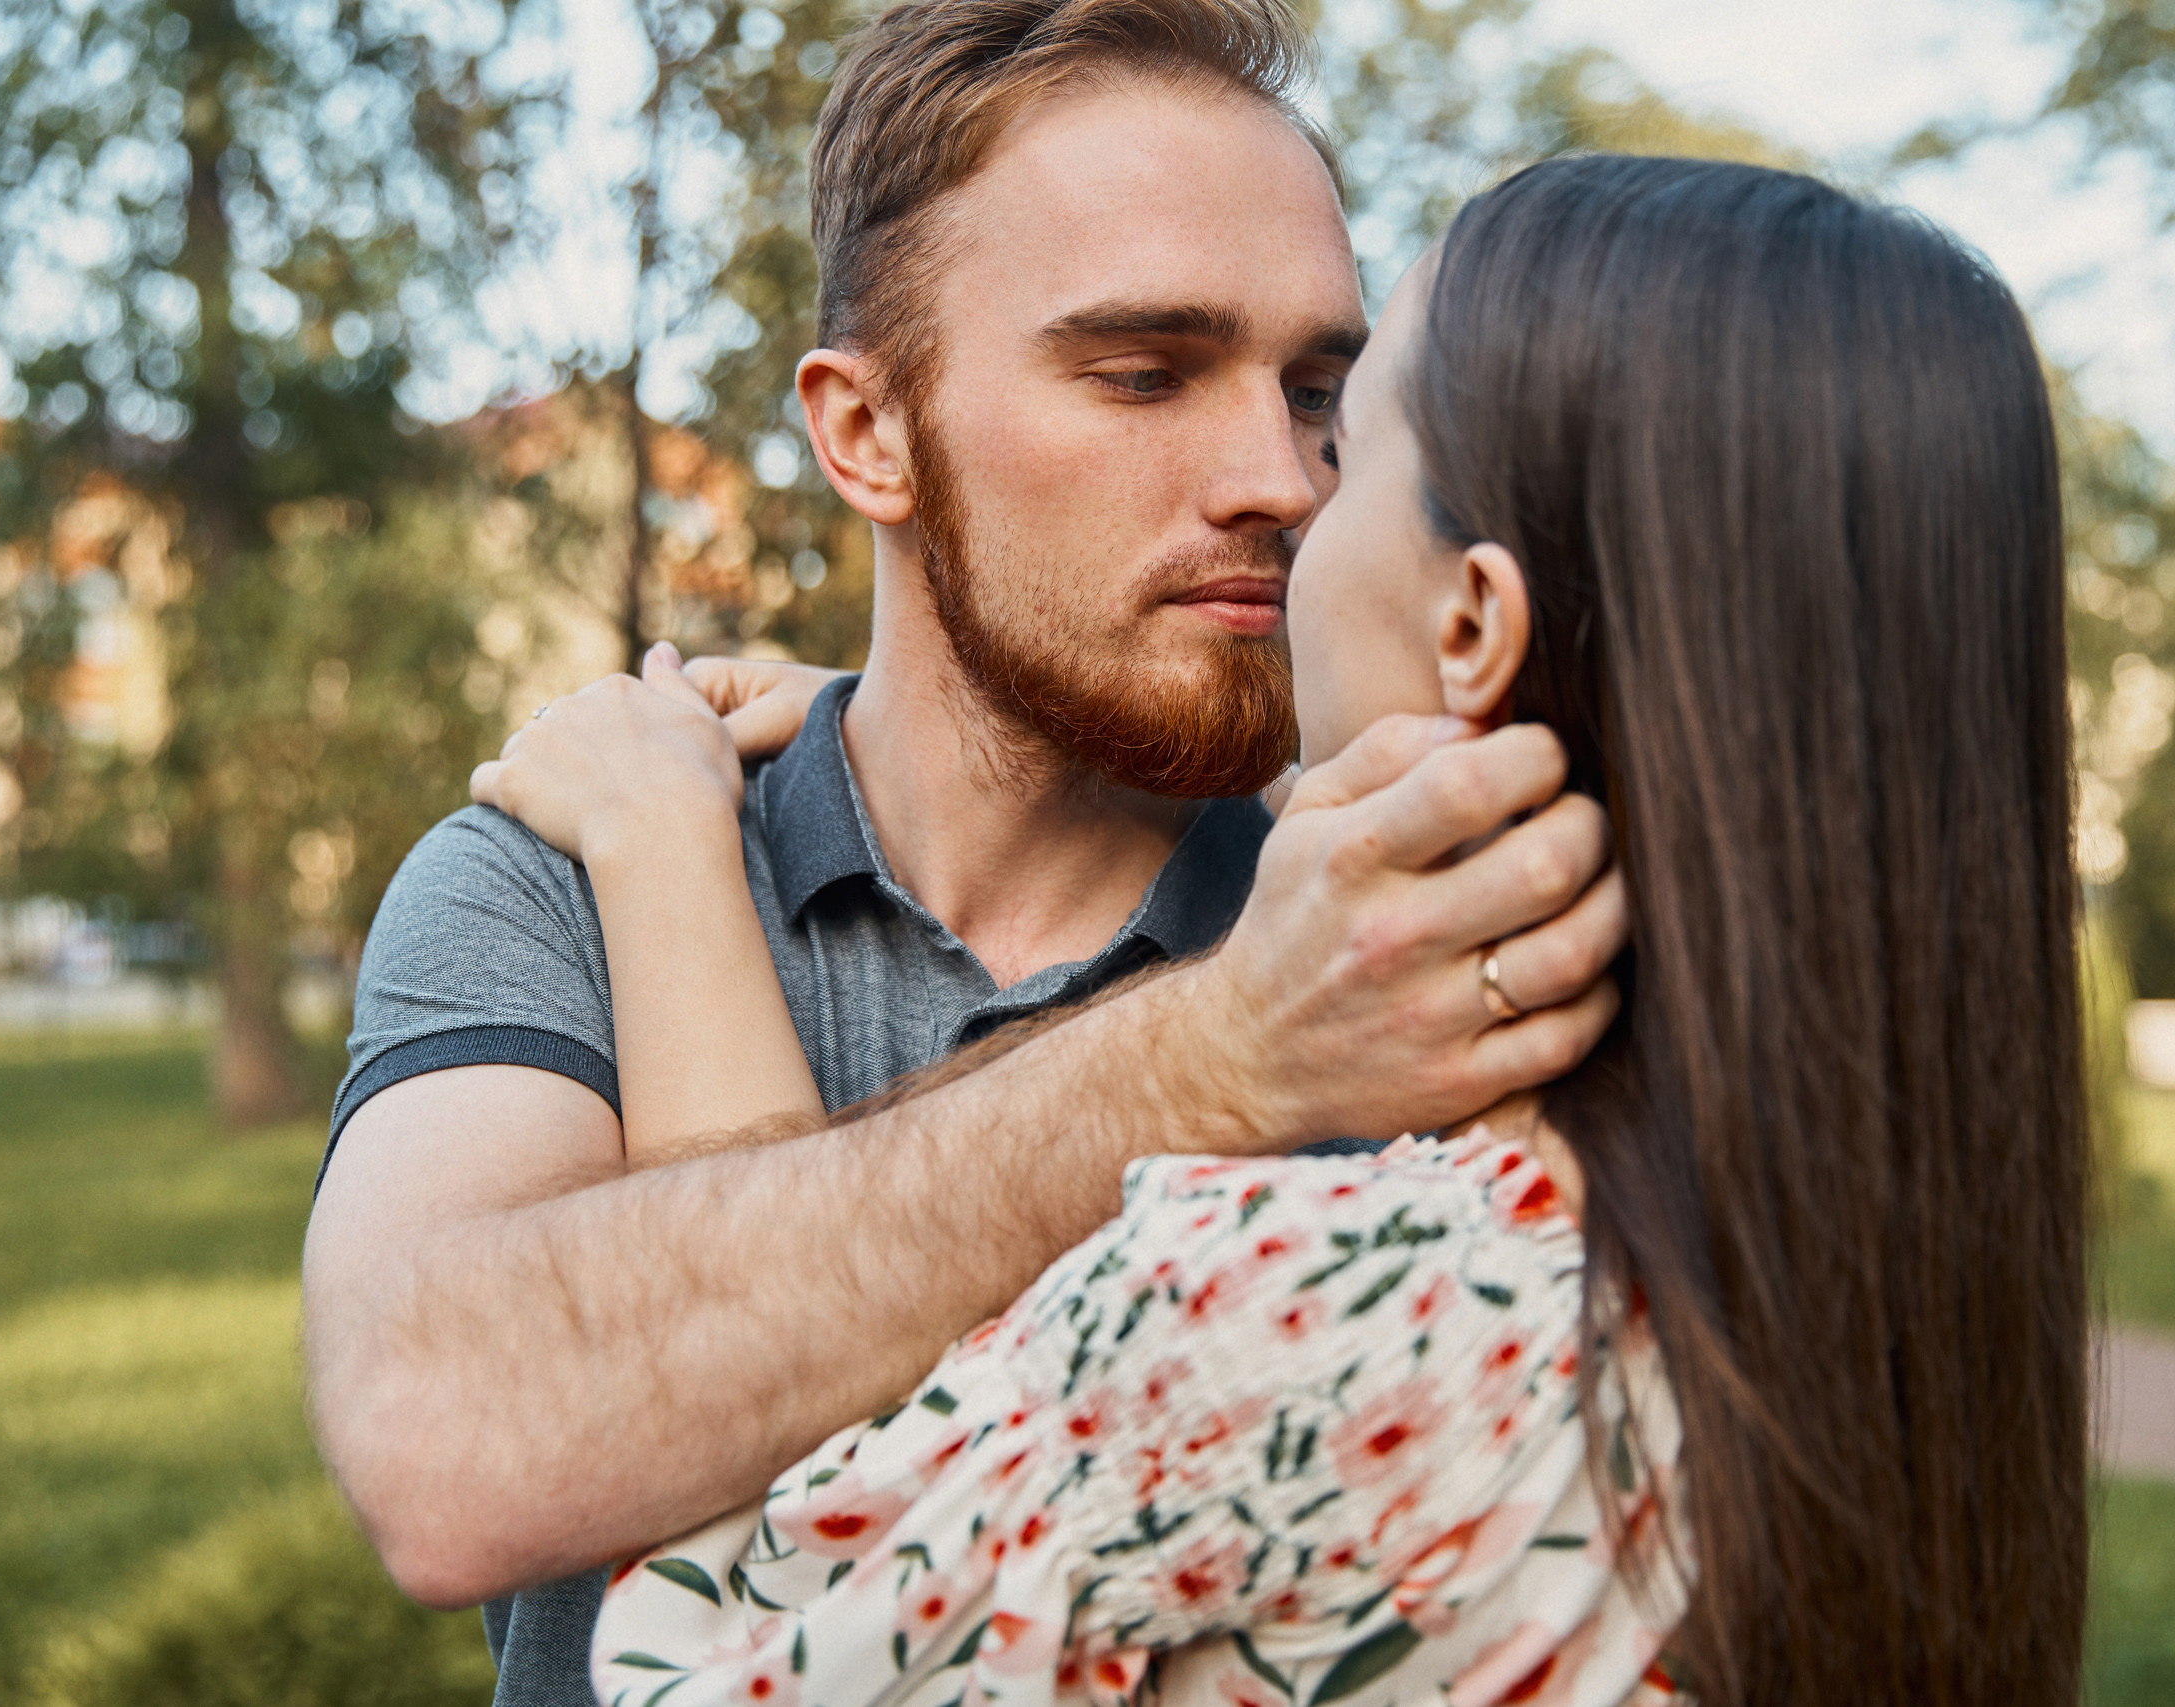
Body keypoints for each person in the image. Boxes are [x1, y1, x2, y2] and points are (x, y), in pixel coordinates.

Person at [489, 156, 2093, 1707]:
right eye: (1141, 375)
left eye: (1346, 421)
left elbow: (734, 1642)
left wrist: (666, 842)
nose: (1285, 491)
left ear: (1472, 623)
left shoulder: (1300, 1305)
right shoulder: (1890, 1293)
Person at [300, 2, 1625, 1703]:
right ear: (867, 433)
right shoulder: (557, 865)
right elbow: (444, 1446)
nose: (1280, 478)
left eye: (1320, 394)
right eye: (1143, 372)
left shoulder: (1434, 922)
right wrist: (1216, 1057)